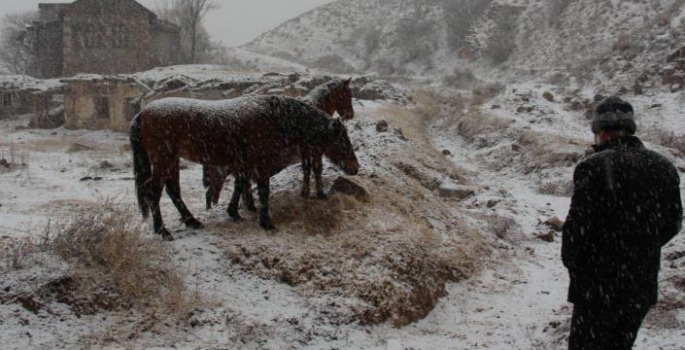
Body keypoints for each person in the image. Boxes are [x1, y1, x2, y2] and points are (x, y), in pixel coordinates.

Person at [561, 96, 683, 350]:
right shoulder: (663, 166)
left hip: (596, 288)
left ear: (601, 132)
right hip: (640, 285)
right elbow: (673, 224)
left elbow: (575, 231)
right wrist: (641, 246)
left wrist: (579, 266)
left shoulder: (593, 167)